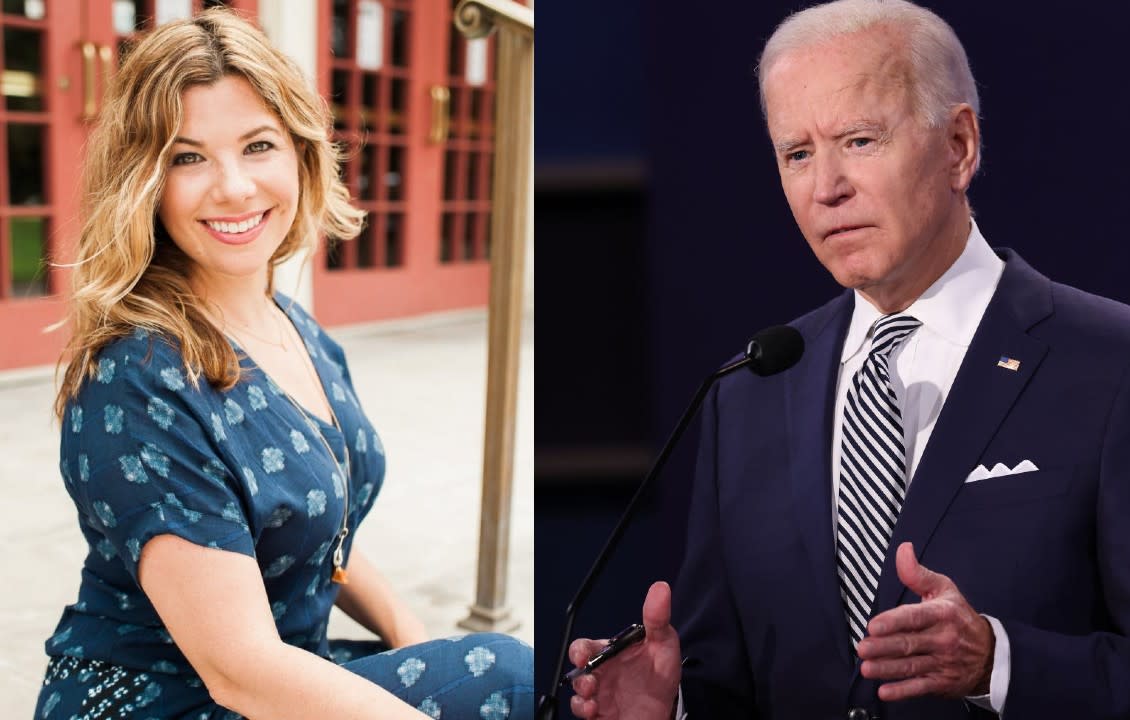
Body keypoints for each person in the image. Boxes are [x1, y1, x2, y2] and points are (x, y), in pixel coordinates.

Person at [569, 1, 1130, 718]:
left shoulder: (1110, 364)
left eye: (859, 141)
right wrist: (671, 705)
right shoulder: (749, 392)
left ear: (959, 145)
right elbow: (732, 679)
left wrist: (999, 663)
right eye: (796, 153)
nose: (825, 188)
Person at [33, 9, 532, 720]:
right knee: (510, 683)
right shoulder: (137, 380)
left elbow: (316, 533)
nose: (233, 187)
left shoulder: (295, 329)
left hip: (284, 670)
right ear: (143, 180)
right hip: (176, 698)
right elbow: (242, 673)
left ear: (302, 154)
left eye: (258, 145)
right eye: (187, 156)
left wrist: (411, 634)